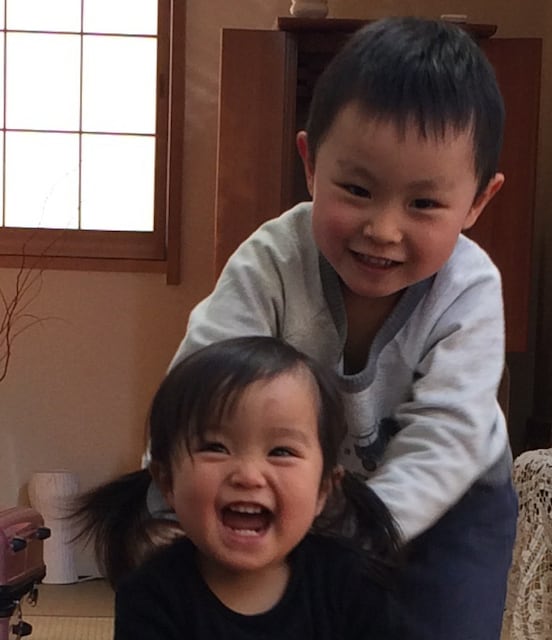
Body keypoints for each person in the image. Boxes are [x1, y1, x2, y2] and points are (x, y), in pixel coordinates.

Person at [158, 16, 517, 638]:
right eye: (356, 189)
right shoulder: (271, 262)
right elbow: (196, 391)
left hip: (457, 499)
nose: (383, 229)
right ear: (310, 165)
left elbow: (447, 434)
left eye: (424, 204)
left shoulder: (470, 288)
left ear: (478, 202)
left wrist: (342, 547)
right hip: (310, 493)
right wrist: (165, 509)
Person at [75, 336, 403, 639]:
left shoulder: (353, 585)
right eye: (215, 447)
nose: (248, 475)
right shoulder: (151, 595)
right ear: (167, 482)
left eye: (281, 452)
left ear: (323, 490)